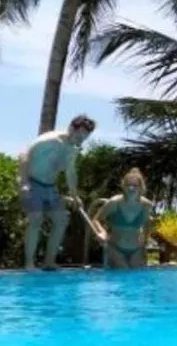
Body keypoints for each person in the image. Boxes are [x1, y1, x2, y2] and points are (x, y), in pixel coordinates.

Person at [18, 115, 96, 271]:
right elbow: (24, 155)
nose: (82, 138)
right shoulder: (51, 140)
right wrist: (24, 182)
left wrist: (75, 196)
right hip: (33, 182)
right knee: (36, 220)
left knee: (61, 220)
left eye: (85, 136)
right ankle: (29, 264)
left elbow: (70, 173)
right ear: (71, 128)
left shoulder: (73, 149)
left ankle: (49, 262)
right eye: (80, 134)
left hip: (50, 187)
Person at [89, 169, 156, 269]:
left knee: (137, 281)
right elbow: (96, 220)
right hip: (115, 249)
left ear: (141, 188)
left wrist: (145, 241)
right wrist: (102, 232)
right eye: (128, 185)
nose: (131, 188)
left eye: (135, 185)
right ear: (123, 186)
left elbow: (147, 223)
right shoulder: (114, 202)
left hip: (137, 250)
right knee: (123, 276)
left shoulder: (146, 205)